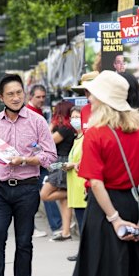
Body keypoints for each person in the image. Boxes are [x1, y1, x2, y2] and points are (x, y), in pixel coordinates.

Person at [63, 70, 139, 276]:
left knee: (100, 275)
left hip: (105, 211)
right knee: (135, 275)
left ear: (104, 100)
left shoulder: (96, 134)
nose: (90, 100)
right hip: (134, 205)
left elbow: (96, 183)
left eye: (94, 95)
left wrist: (115, 219)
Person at [0, 74, 57, 276]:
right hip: (0, 191)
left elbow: (50, 157)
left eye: (19, 92)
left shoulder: (37, 121)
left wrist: (26, 160)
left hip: (27, 189)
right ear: (1, 97)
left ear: (24, 93)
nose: (15, 97)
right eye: (10, 94)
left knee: (24, 243)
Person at [25, 84, 62, 238]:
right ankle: (55, 225)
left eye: (43, 96)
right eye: (38, 97)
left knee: (38, 192)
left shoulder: (36, 112)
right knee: (35, 193)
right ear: (30, 97)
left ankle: (55, 225)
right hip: (35, 160)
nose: (41, 99)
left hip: (37, 160)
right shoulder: (29, 113)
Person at [40, 100, 76, 241]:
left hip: (62, 163)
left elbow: (47, 141)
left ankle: (68, 193)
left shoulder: (64, 129)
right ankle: (66, 232)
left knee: (45, 194)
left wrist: (52, 125)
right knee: (64, 200)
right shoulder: (70, 129)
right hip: (62, 162)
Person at [63, 106, 86, 261]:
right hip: (74, 185)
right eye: (72, 117)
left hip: (82, 185)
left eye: (78, 116)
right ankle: (83, 252)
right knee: (81, 222)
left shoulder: (85, 137)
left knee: (84, 223)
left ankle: (85, 253)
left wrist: (71, 164)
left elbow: (84, 160)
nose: (75, 120)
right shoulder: (76, 137)